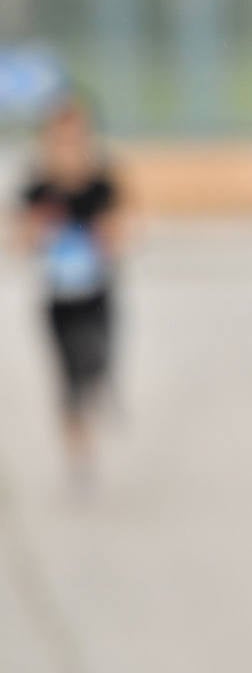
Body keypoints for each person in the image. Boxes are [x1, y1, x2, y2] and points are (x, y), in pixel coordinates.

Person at [16, 91, 126, 491]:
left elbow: (119, 235)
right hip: (58, 296)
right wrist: (40, 226)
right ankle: (79, 453)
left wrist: (102, 234)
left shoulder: (100, 184)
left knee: (95, 360)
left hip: (96, 292)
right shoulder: (39, 187)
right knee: (66, 379)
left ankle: (100, 388)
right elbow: (19, 240)